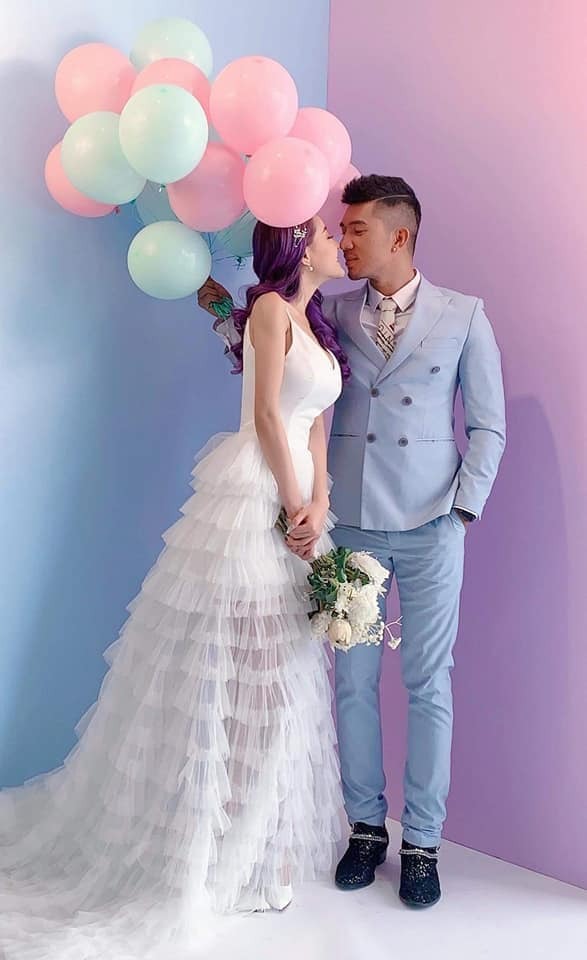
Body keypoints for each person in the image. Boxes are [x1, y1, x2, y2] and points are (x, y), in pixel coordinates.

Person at [0, 217, 348, 959]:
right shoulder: (269, 310)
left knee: (282, 681)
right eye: (322, 230)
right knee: (249, 678)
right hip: (256, 494)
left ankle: (258, 849)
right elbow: (265, 415)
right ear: (296, 246)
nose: (334, 239)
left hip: (301, 502)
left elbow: (317, 425)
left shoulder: (314, 324)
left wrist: (320, 501)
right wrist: (291, 502)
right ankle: (224, 854)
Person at [201, 174, 506, 910]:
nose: (345, 240)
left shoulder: (464, 315)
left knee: (429, 683)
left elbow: (488, 426)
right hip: (353, 525)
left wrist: (461, 513)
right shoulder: (328, 309)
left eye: (357, 229)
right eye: (339, 230)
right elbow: (271, 354)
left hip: (432, 526)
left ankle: (422, 842)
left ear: (400, 235)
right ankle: (365, 829)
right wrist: (212, 304)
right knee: (352, 683)